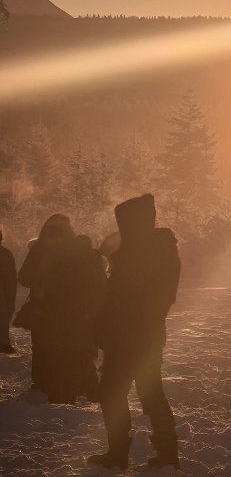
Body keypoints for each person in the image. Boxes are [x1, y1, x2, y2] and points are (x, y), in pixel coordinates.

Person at [88, 195, 181, 470]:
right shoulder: (156, 249)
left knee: (113, 393)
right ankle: (166, 454)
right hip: (144, 336)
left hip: (129, 336)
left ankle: (119, 454)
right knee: (149, 392)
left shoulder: (143, 251)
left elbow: (124, 296)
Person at [44, 234, 107, 403]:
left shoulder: (66, 264)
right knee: (85, 354)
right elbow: (103, 289)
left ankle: (67, 395)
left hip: (69, 317)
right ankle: (92, 392)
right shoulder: (96, 263)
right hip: (90, 316)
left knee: (68, 356)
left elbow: (55, 292)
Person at [17, 214, 76, 392]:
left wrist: (41, 281)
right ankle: (62, 381)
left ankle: (42, 382)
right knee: (64, 344)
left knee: (41, 345)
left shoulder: (38, 250)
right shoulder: (75, 252)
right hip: (67, 308)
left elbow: (24, 278)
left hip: (41, 307)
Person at [0, 228, 16, 354]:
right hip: (2, 293)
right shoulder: (5, 253)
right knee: (3, 316)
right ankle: (3, 342)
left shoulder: (5, 254)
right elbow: (11, 278)